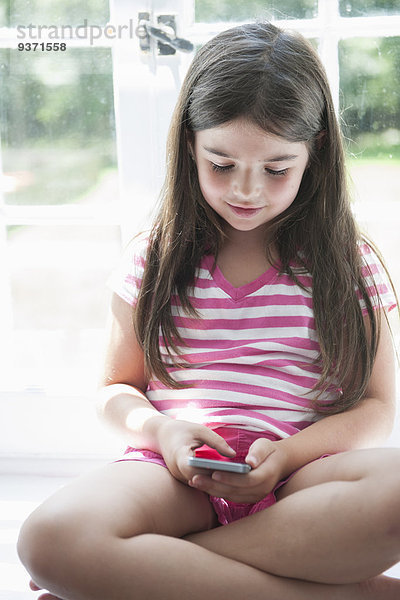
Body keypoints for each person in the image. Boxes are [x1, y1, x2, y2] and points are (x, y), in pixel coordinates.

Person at [18, 21, 400, 600]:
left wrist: (289, 455)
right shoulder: (155, 255)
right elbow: (114, 389)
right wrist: (165, 433)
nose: (247, 191)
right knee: (47, 540)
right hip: (171, 478)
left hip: (301, 478)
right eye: (221, 164)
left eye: (276, 170)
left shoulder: (348, 262)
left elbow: (377, 406)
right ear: (189, 144)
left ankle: (142, 571)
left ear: (314, 152)